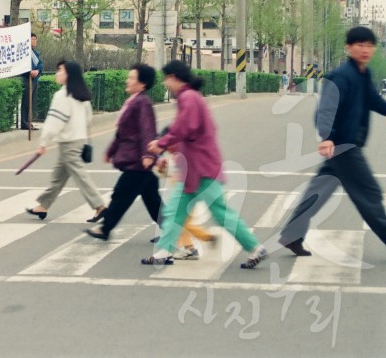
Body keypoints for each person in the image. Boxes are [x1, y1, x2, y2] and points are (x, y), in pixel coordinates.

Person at [142, 60, 267, 269]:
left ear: (174, 77)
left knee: (219, 212)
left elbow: (184, 128)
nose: (165, 83)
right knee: (175, 211)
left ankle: (255, 247)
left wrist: (161, 143)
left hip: (202, 168)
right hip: (192, 168)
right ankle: (163, 252)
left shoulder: (188, 98)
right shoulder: (190, 97)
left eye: (166, 79)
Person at [279, 26, 386, 256]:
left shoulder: (363, 75)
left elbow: (375, 102)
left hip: (343, 145)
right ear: (349, 48)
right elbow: (325, 108)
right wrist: (326, 137)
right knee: (370, 194)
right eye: (360, 44)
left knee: (318, 192)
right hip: (343, 146)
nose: (365, 49)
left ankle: (291, 235)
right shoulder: (341, 76)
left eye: (369, 45)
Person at [85, 64, 161, 241]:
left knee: (121, 195)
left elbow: (147, 130)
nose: (127, 80)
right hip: (137, 159)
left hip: (138, 160)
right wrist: (111, 150)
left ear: (142, 84)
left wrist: (148, 155)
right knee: (152, 200)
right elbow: (123, 132)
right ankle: (173, 232)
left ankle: (105, 228)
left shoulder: (142, 103)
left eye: (132, 78)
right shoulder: (134, 101)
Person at [25, 60, 105, 222]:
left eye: (60, 70)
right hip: (78, 140)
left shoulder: (62, 96)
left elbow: (54, 122)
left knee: (80, 176)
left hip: (69, 143)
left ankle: (100, 206)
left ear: (68, 75)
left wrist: (43, 143)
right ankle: (43, 206)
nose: (57, 74)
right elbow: (88, 119)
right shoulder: (82, 95)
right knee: (58, 177)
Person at [20, 33, 43, 131]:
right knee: (26, 102)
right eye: (32, 39)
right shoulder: (24, 52)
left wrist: (37, 71)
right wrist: (29, 72)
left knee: (32, 102)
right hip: (26, 79)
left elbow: (40, 65)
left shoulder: (36, 53)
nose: (34, 41)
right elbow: (21, 66)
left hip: (34, 79)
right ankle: (24, 123)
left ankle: (30, 122)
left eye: (35, 39)